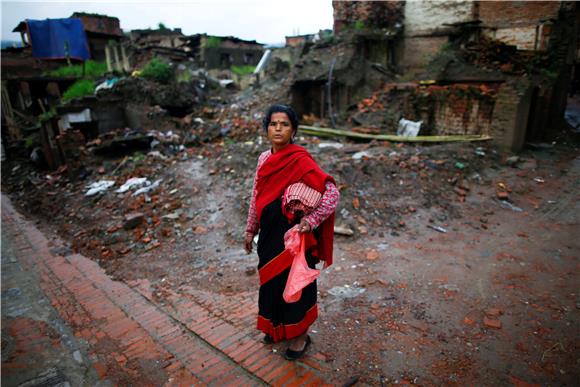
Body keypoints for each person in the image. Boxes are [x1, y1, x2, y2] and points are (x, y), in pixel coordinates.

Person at [244, 104, 340, 360]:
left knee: (295, 286)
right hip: (268, 236)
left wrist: (311, 220)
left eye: (284, 124)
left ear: (293, 130)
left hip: (294, 238)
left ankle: (300, 337)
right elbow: (257, 196)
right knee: (271, 285)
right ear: (266, 129)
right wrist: (250, 228)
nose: (278, 128)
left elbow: (332, 193)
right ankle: (275, 328)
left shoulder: (301, 159)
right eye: (273, 124)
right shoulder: (264, 159)